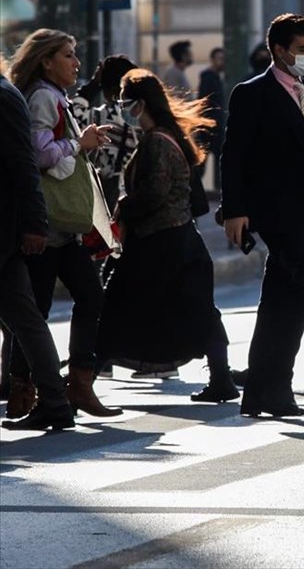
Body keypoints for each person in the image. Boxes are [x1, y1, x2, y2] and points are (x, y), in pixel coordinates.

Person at [220, 13, 304, 418]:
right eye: (303, 49)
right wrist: (235, 211)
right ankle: (276, 387)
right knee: (301, 284)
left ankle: (263, 391)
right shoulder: (252, 93)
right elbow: (235, 153)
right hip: (274, 209)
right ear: (278, 50)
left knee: (281, 294)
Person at [96, 70, 237, 403]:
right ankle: (221, 378)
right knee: (199, 311)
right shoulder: (164, 136)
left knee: (118, 306)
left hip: (160, 242)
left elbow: (155, 193)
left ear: (141, 104)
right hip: (178, 240)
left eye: (125, 102)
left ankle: (82, 378)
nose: (121, 109)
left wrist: (124, 206)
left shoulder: (158, 141)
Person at [4, 29, 121, 420]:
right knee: (31, 311)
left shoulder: (55, 97)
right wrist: (79, 144)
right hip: (47, 223)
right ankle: (28, 392)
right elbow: (37, 155)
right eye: (68, 56)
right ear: (46, 61)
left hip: (61, 225)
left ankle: (76, 384)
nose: (76, 63)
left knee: (83, 298)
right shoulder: (40, 97)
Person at [0, 67, 75, 431]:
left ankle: (55, 400)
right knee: (26, 319)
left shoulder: (4, 96)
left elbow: (25, 166)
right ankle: (55, 401)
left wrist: (34, 224)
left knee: (26, 320)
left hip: (4, 230)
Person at [197, 47, 226, 189]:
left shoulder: (214, 77)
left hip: (213, 125)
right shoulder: (209, 77)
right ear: (213, 60)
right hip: (209, 126)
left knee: (213, 160)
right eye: (220, 59)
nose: (222, 62)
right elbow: (205, 100)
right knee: (204, 160)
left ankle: (216, 189)